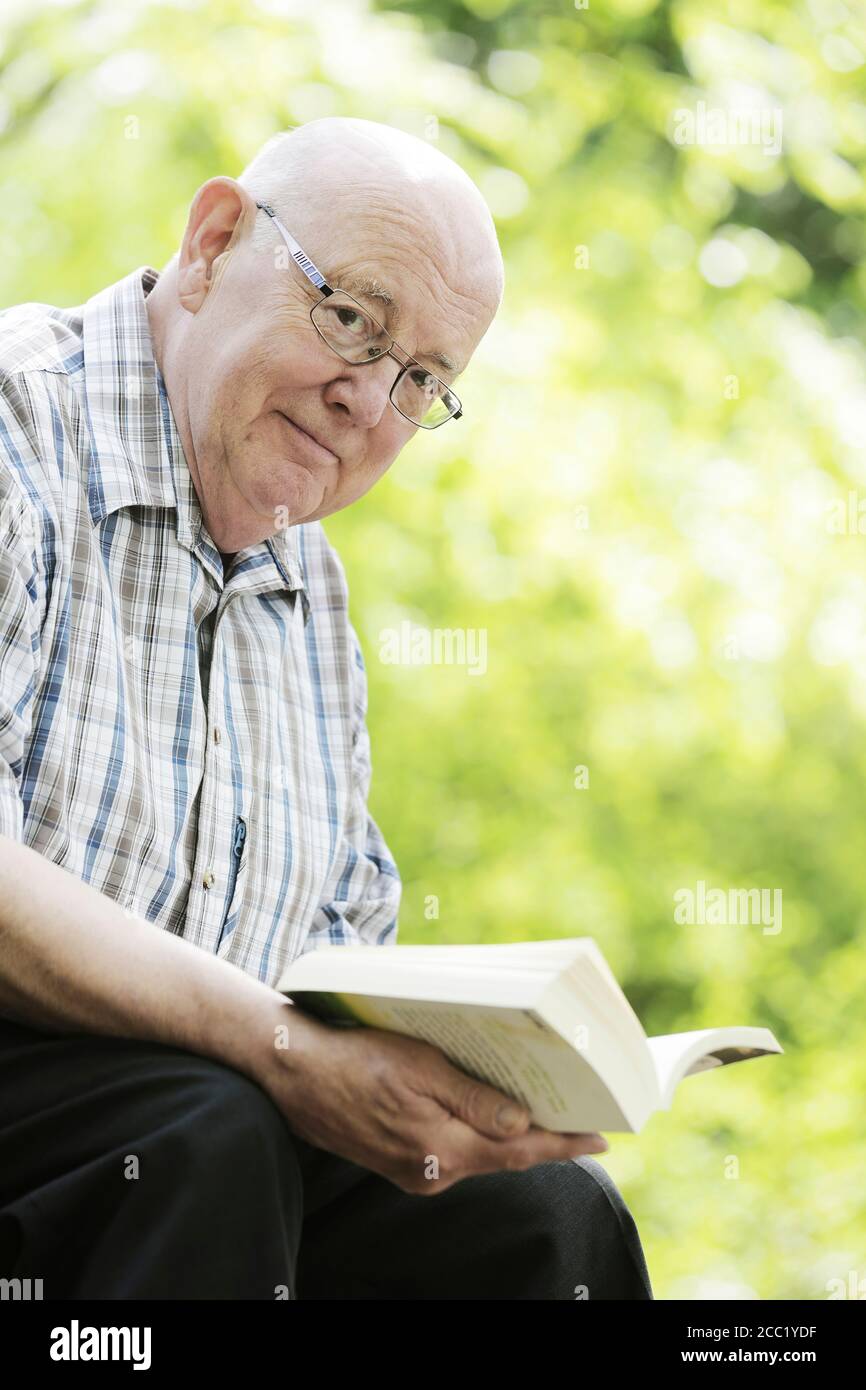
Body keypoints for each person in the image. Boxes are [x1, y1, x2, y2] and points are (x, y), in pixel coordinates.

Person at [0, 117, 652, 1299]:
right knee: (202, 1132)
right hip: (112, 1122)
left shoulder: (307, 585)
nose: (368, 400)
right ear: (210, 245)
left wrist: (453, 1081)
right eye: (351, 317)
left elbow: (337, 953)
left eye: (421, 381)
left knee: (542, 1215)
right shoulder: (18, 433)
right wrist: (278, 1049)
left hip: (211, 1115)